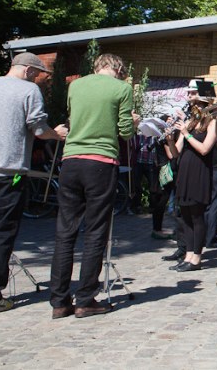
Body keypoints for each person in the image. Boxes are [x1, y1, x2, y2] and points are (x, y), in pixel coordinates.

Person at [0, 54, 67, 315]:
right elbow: (38, 129)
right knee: (1, 234)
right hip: (8, 172)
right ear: (29, 70)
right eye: (41, 76)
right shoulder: (28, 90)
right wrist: (58, 134)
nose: (41, 81)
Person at [50, 53, 136, 319]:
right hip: (100, 160)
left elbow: (75, 118)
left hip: (71, 159)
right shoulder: (123, 88)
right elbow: (125, 131)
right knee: (96, 231)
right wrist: (134, 122)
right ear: (118, 68)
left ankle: (59, 301)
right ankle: (85, 299)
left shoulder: (75, 85)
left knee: (65, 231)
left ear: (97, 67)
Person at [166, 99, 217, 272]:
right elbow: (175, 153)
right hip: (185, 173)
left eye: (198, 104)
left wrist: (186, 134)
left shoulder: (212, 124)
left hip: (200, 173)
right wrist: (169, 140)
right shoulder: (189, 123)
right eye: (193, 104)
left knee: (197, 216)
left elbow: (205, 149)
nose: (194, 107)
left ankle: (197, 257)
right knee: (186, 217)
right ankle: (188, 255)